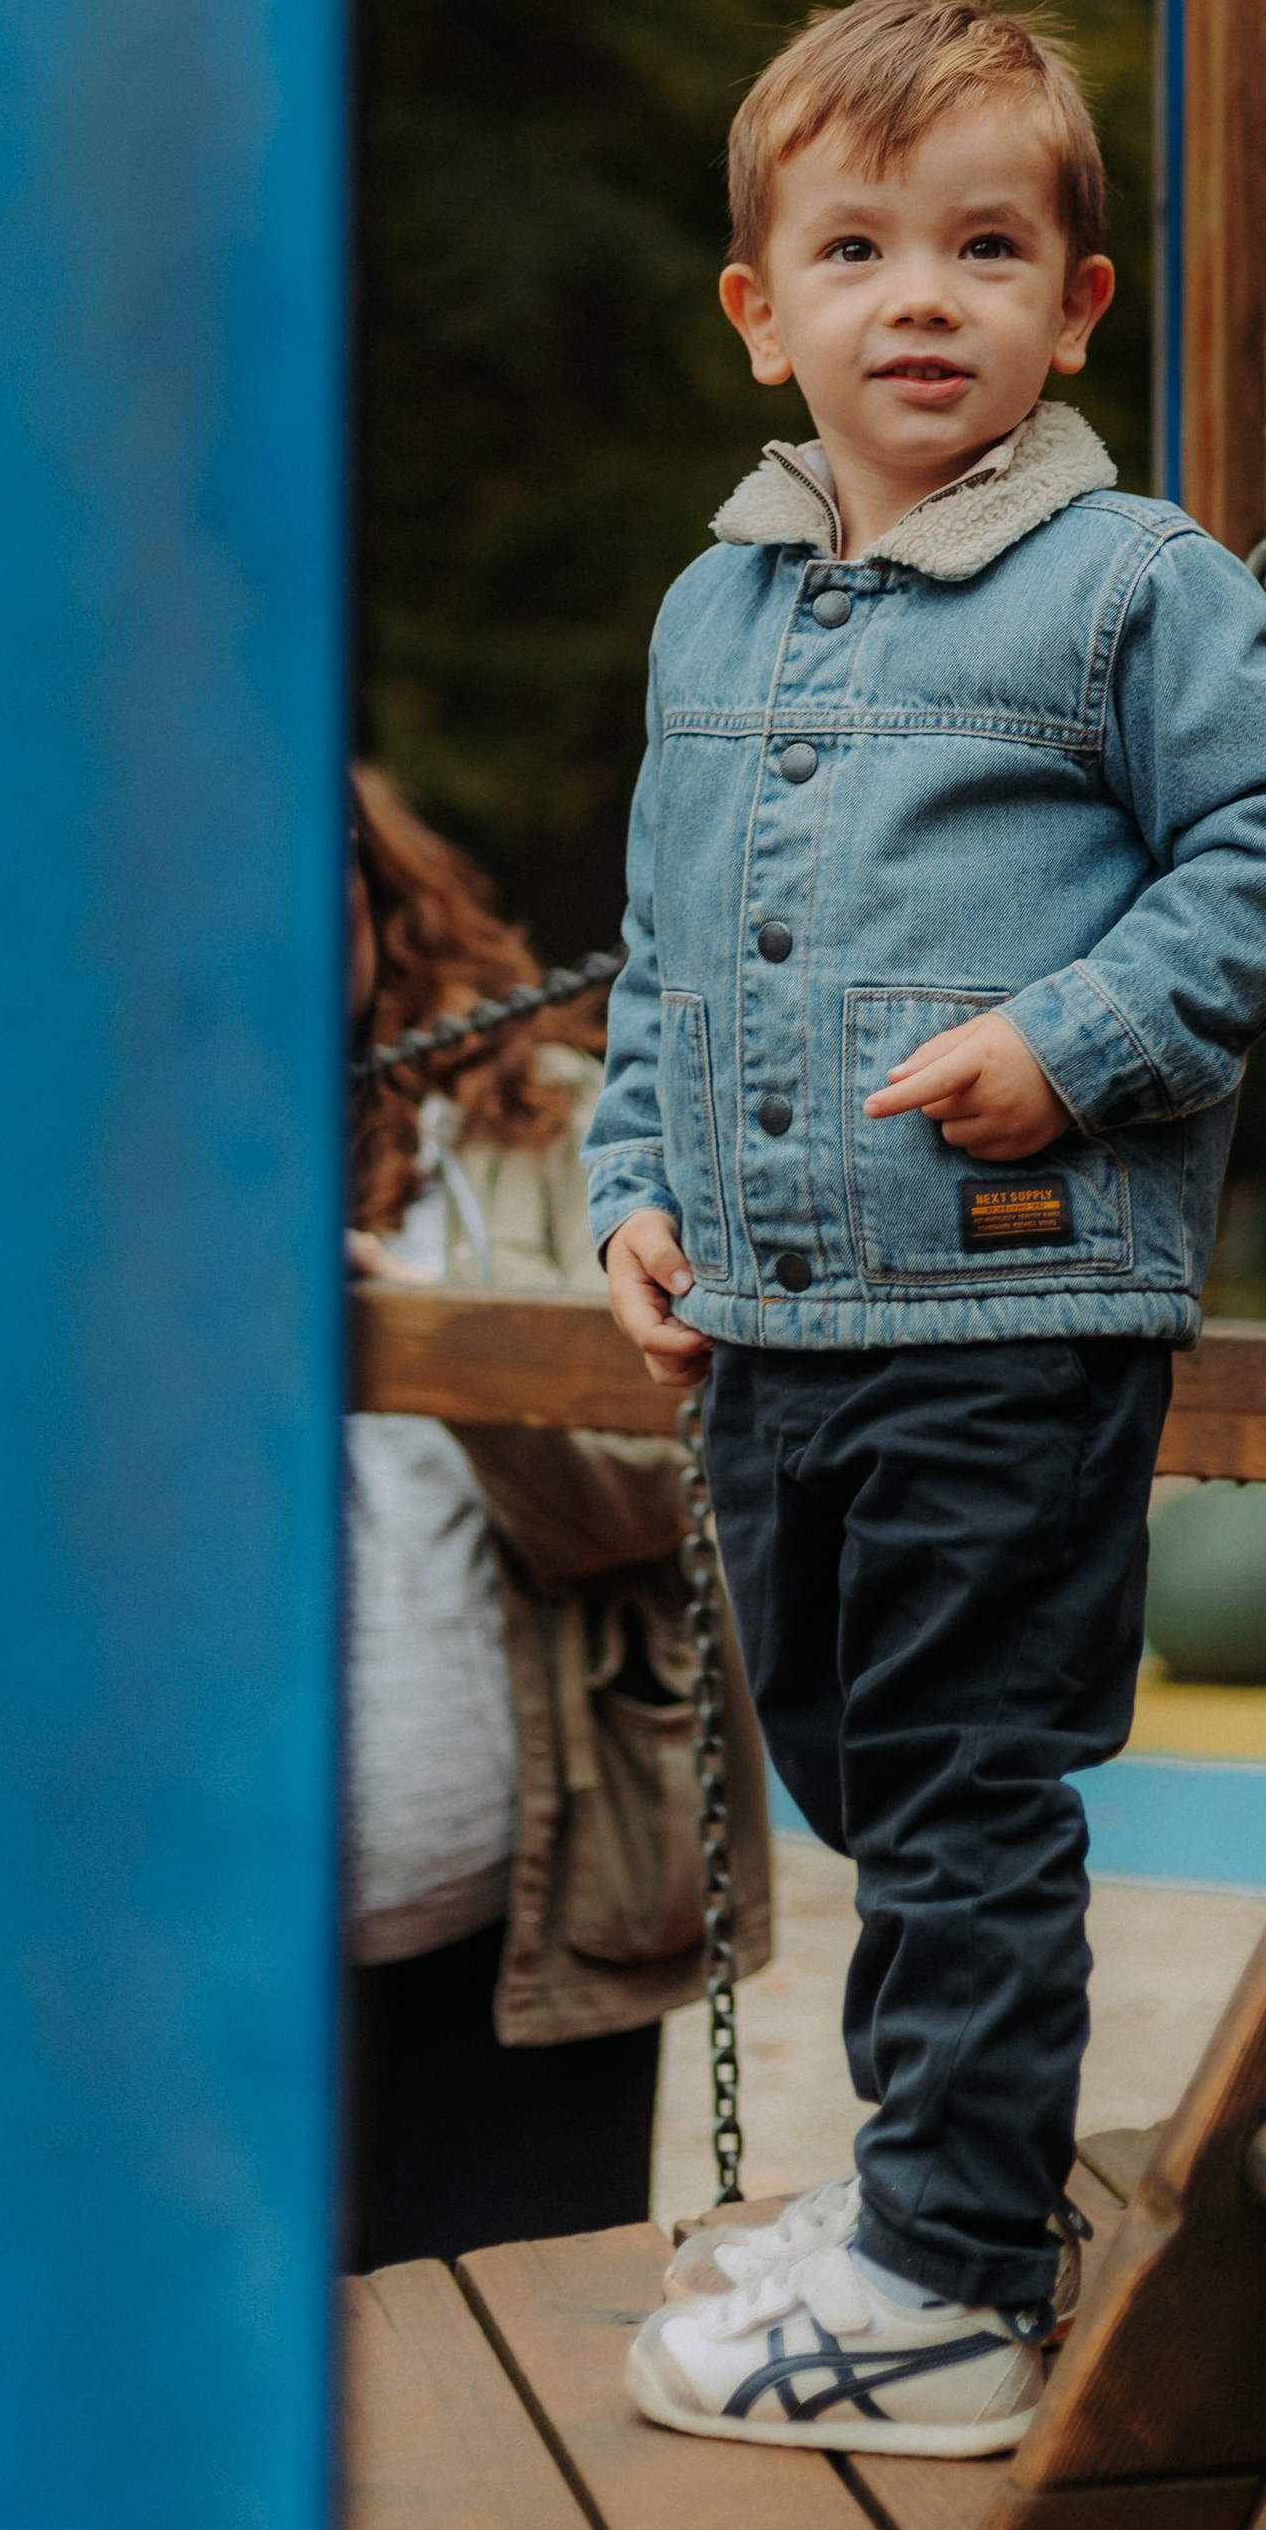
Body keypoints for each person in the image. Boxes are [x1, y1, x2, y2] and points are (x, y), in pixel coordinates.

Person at [584, 0, 1266, 2452]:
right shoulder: (711, 614)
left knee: (957, 1777)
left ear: (1075, 302)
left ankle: (945, 2272)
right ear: (764, 305)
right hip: (775, 1322)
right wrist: (632, 1184)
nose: (917, 297)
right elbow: (660, 944)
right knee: (847, 1758)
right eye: (856, 247)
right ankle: (949, 2183)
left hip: (1011, 1294)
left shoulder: (1127, 587)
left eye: (985, 245)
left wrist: (1083, 1033)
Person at [343, 764, 768, 2272]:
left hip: (529, 1888)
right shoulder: (97, 1170)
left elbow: (660, 1481)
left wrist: (437, 1350)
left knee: (508, 2340)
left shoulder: (548, 1125)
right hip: (202, 1917)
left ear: (374, 897)